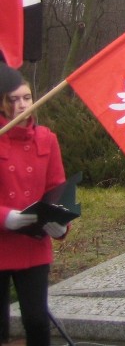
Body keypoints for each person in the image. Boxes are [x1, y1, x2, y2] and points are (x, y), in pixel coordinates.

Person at [1, 74, 68, 346]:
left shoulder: (47, 139)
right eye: (14, 99)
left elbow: (58, 188)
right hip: (1, 243)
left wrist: (61, 224)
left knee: (37, 321)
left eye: (27, 98)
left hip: (34, 247)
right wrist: (7, 217)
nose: (22, 105)